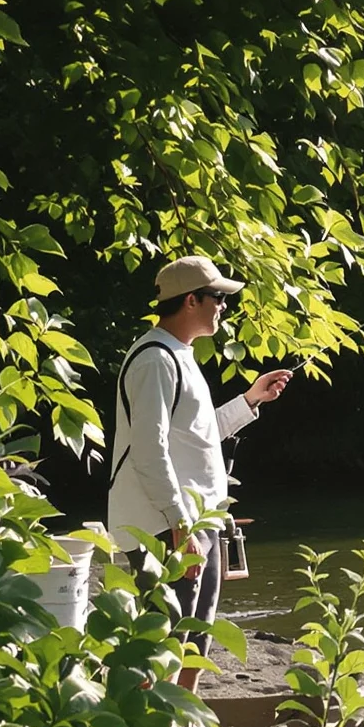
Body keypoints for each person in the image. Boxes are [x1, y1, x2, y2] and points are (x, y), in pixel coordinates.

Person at [109, 256, 292, 689]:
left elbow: (198, 435)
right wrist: (180, 522)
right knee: (164, 638)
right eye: (218, 297)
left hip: (194, 521)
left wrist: (250, 400)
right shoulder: (155, 360)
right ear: (191, 300)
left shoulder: (179, 355)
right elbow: (148, 451)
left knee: (196, 634)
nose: (224, 306)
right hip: (166, 525)